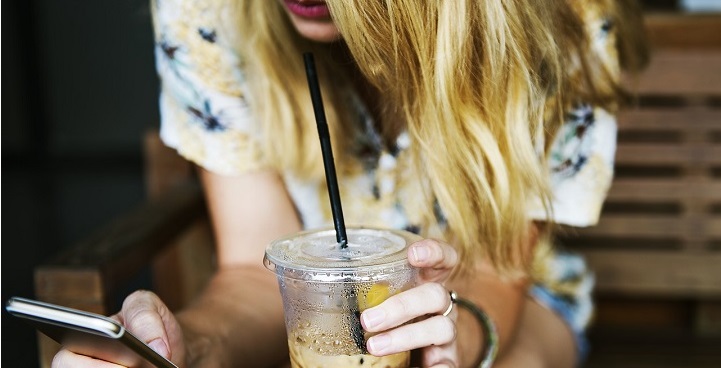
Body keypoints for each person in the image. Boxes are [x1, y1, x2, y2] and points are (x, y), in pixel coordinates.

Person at [53, 0, 648, 367]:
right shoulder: (207, 12)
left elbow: (499, 273)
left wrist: (454, 341)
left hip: (505, 298)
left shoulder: (560, 21)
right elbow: (255, 278)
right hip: (317, 322)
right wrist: (187, 349)